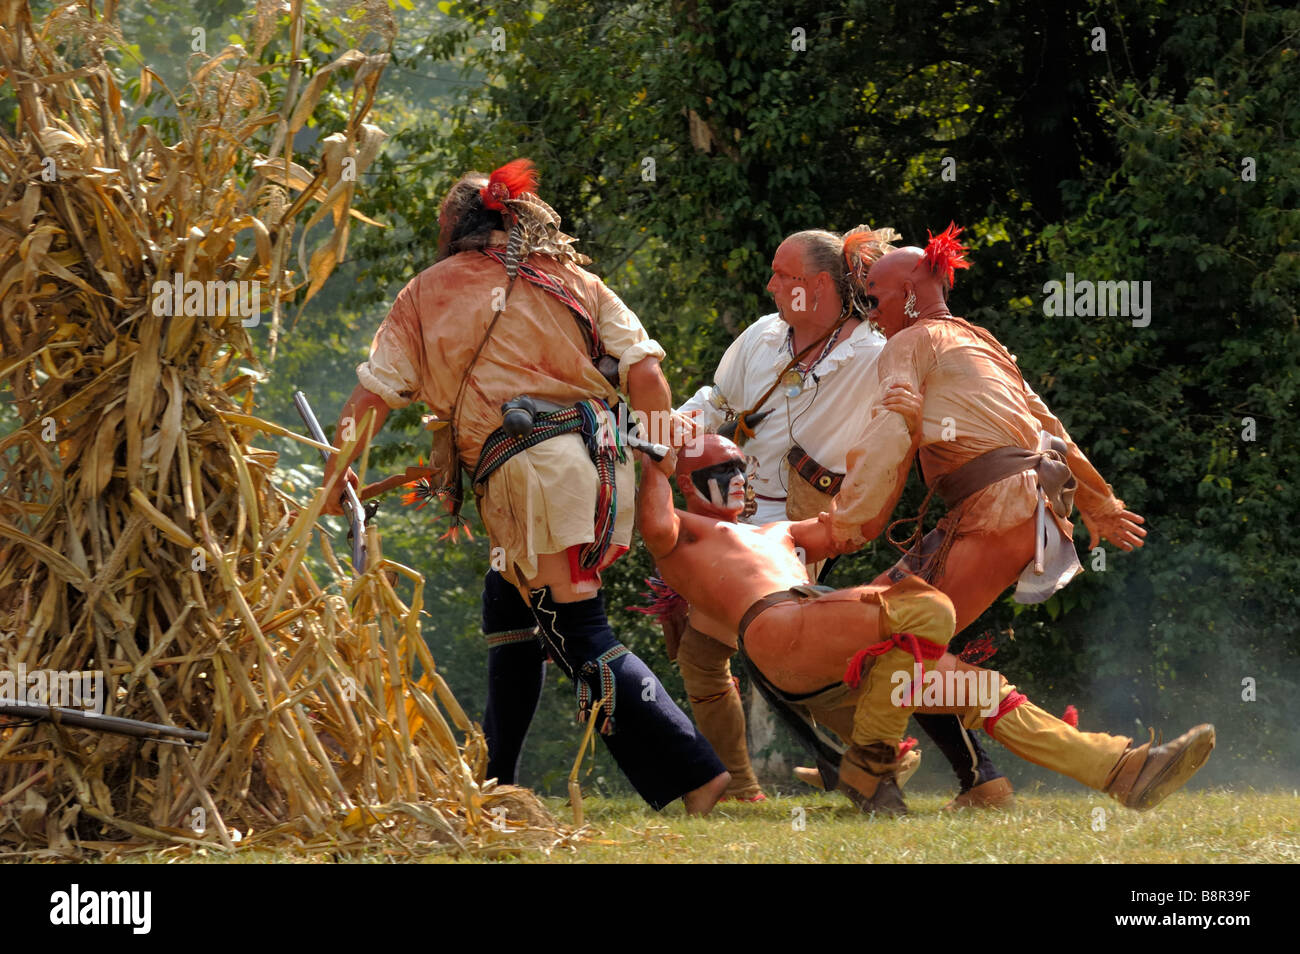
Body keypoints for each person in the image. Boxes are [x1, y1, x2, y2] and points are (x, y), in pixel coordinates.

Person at [320, 159, 729, 813]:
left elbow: (373, 398)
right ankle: (496, 785)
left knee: (581, 630)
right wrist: (657, 466)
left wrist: (334, 471)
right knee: (509, 610)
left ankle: (700, 775)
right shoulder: (575, 280)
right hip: (601, 466)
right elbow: (646, 373)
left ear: (454, 228)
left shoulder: (428, 292)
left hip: (532, 477)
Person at [636, 433, 1214, 815]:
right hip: (778, 628)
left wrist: (895, 450)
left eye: (739, 465)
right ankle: (869, 761)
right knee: (930, 608)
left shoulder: (777, 532)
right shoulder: (687, 530)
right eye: (718, 469)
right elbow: (655, 526)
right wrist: (653, 467)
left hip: (822, 644)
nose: (736, 477)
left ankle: (1120, 770)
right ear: (688, 482)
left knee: (978, 689)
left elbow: (852, 525)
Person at [673, 227, 1012, 807]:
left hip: (802, 528)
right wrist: (671, 430)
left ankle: (868, 768)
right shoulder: (762, 336)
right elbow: (718, 401)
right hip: (737, 521)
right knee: (720, 656)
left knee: (776, 658)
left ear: (821, 284)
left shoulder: (875, 354)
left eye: (785, 275)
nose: (771, 284)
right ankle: (781, 779)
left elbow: (916, 415)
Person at [827, 224, 1147, 677]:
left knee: (889, 646)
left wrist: (846, 523)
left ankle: (1088, 751)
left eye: (873, 299)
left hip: (997, 512)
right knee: (882, 636)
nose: (872, 315)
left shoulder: (908, 342)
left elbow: (890, 433)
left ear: (909, 290)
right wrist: (1101, 502)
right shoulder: (984, 342)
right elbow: (1051, 427)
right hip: (1017, 510)